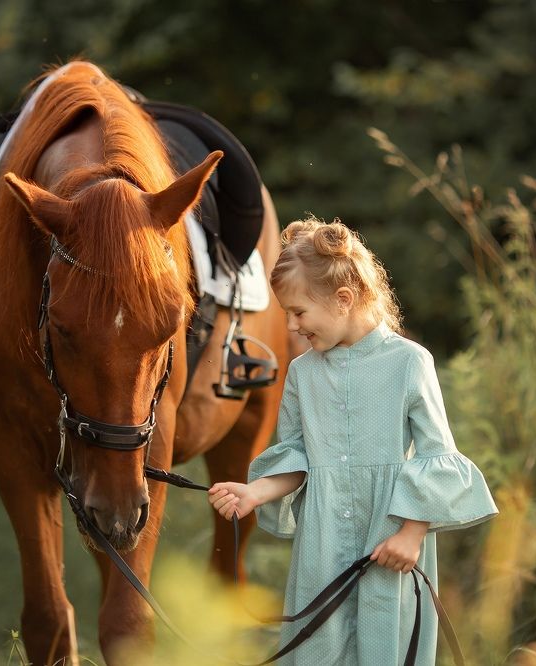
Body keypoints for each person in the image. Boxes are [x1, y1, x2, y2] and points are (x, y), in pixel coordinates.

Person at [208, 215, 498, 665]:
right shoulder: (303, 373)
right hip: (321, 548)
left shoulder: (408, 362)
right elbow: (297, 455)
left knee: (387, 647)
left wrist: (412, 533)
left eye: (299, 312)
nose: (291, 327)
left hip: (390, 541)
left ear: (343, 299)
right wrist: (253, 492)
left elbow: (437, 453)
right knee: (318, 648)